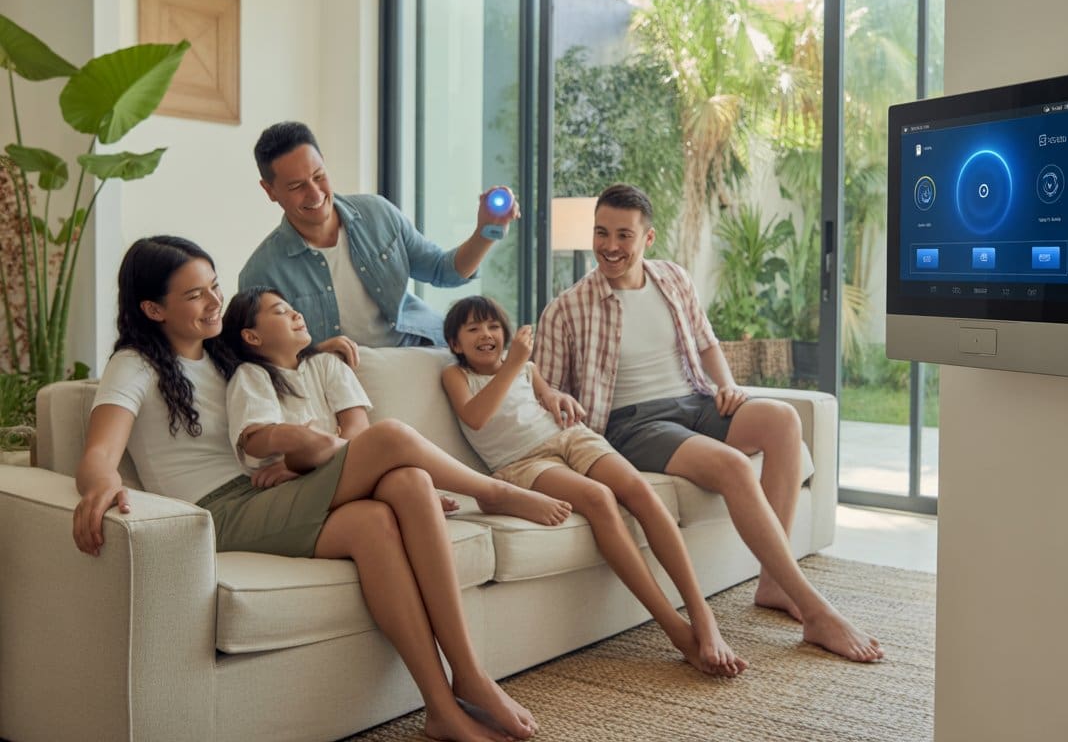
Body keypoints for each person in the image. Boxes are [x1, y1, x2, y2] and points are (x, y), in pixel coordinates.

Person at [71, 236, 539, 742]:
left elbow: (280, 389)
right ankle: (491, 495)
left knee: (398, 495)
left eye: (214, 287)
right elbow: (100, 452)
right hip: (216, 513)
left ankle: (445, 703)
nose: (213, 303)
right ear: (152, 308)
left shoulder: (224, 357)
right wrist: (99, 488)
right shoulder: (135, 364)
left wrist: (322, 351)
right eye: (194, 296)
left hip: (264, 496)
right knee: (391, 439)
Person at [534, 184, 884, 663]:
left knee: (782, 421)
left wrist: (727, 385)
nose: (610, 246)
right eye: (601, 232)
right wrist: (553, 396)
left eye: (623, 234)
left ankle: (773, 583)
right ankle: (815, 610)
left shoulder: (673, 279)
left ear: (648, 238)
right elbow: (543, 386)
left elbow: (706, 343)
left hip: (695, 400)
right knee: (733, 466)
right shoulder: (567, 308)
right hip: (632, 425)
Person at [439, 296, 745, 677]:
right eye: (473, 329)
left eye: (492, 326)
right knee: (600, 498)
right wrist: (515, 362)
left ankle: (702, 616)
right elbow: (476, 417)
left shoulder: (526, 368)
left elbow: (542, 396)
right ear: (455, 344)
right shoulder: (457, 375)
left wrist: (554, 395)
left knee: (638, 490)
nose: (486, 334)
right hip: (523, 462)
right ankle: (677, 632)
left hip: (570, 437)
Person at [219, 285, 572, 528]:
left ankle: (424, 496)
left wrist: (313, 453)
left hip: (335, 467)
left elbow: (356, 430)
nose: (297, 314)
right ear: (251, 336)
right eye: (281, 311)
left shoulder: (326, 365)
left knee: (410, 479)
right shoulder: (251, 376)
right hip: (300, 489)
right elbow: (255, 440)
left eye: (294, 307)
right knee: (391, 436)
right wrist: (301, 450)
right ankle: (492, 490)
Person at [240, 121, 519, 349]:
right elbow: (265, 355)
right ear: (270, 191)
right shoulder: (262, 273)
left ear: (324, 163)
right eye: (297, 186)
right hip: (344, 379)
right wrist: (316, 353)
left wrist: (485, 232)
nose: (315, 193)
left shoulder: (377, 213)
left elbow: (442, 271)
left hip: (418, 349)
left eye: (318, 176)